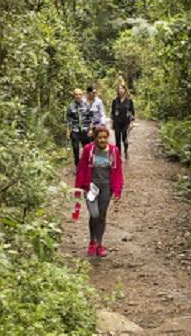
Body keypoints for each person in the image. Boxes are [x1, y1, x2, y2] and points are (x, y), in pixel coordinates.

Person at [75, 125, 123, 257]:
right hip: (90, 187)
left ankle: (99, 243)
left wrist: (117, 190)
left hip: (106, 187)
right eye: (99, 137)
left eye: (105, 137)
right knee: (94, 214)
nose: (102, 140)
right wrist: (78, 188)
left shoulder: (114, 151)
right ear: (94, 138)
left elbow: (118, 171)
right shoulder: (88, 150)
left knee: (101, 216)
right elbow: (81, 169)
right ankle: (92, 241)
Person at [66, 88, 93, 167]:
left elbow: (91, 118)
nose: (78, 96)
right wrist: (68, 131)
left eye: (79, 94)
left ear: (82, 95)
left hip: (85, 130)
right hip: (75, 130)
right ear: (74, 96)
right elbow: (68, 119)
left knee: (87, 149)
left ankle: (87, 165)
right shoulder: (71, 106)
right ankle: (77, 166)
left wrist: (91, 129)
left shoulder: (87, 105)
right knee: (75, 148)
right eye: (76, 94)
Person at [110, 84, 135, 160]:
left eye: (122, 89)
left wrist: (131, 123)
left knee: (125, 138)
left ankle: (126, 151)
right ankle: (118, 155)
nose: (120, 90)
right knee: (117, 139)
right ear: (117, 91)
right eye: (119, 89)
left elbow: (132, 112)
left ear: (125, 90)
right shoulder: (115, 101)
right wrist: (112, 123)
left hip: (126, 122)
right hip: (117, 122)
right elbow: (112, 113)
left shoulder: (129, 101)